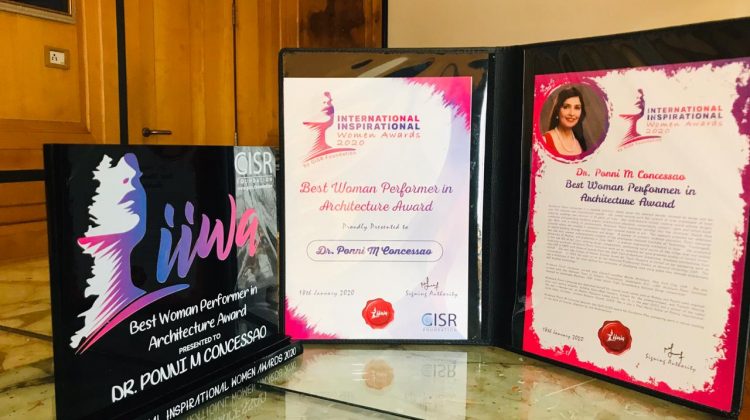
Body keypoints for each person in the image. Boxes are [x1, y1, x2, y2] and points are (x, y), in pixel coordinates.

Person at [543, 86, 587, 157]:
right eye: (566, 107)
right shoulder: (545, 141)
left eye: (577, 108)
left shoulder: (580, 144)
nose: (572, 113)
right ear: (557, 110)